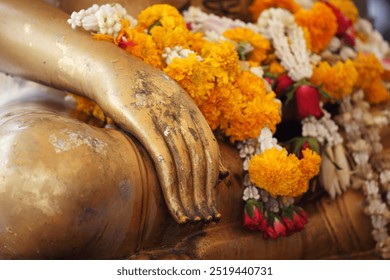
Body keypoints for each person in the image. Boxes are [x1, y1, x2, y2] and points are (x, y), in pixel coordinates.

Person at [0, 0, 379, 259]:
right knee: (35, 182)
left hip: (289, 110)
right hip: (77, 86)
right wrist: (108, 70)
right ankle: (323, 231)